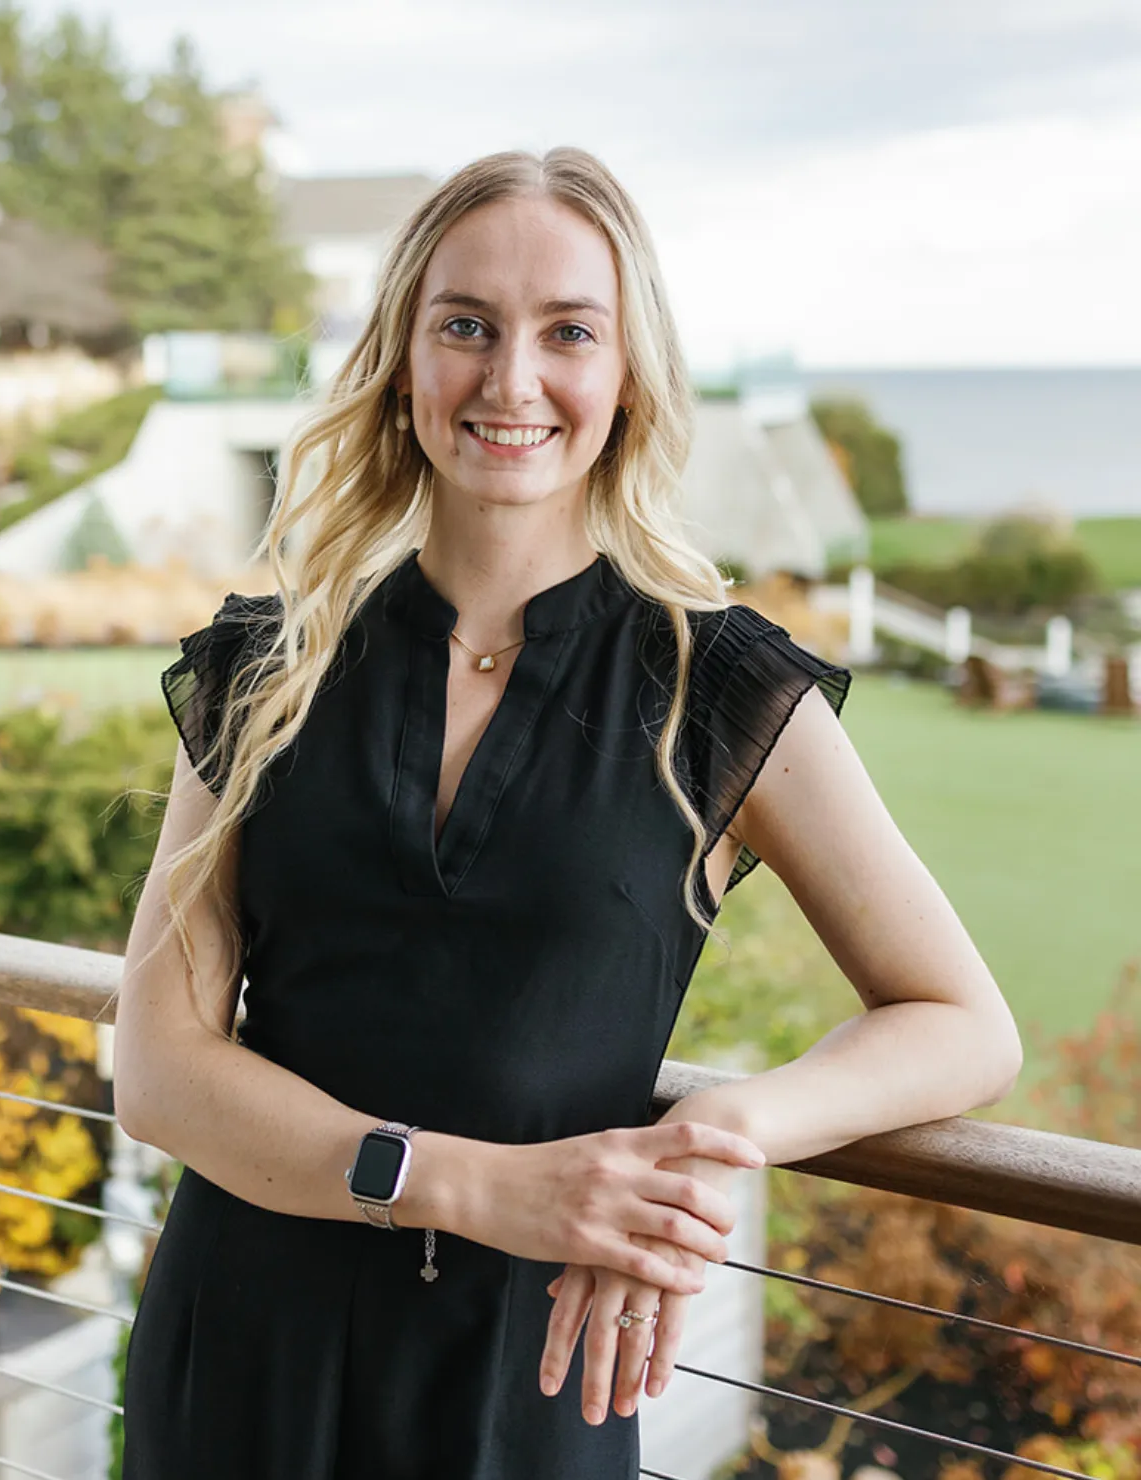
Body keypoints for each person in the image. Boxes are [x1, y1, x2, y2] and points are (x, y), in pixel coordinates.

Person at [112, 147, 1022, 1479]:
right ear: (402, 356)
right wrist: (472, 1184)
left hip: (530, 1384)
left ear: (629, 373)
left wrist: (718, 1135)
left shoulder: (725, 693)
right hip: (243, 1354)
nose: (511, 379)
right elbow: (159, 1068)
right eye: (465, 325)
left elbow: (963, 1025)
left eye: (568, 332)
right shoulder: (268, 663)